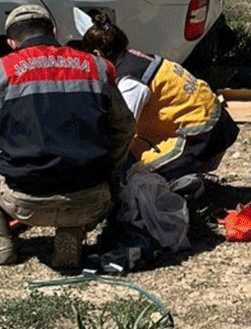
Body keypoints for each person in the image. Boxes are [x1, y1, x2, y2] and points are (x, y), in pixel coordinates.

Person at [0, 4, 135, 271]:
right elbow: (125, 128)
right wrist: (110, 172)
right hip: (92, 199)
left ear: (11, 43)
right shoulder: (97, 68)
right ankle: (74, 227)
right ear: (54, 31)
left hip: (24, 201)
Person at [80, 11, 237, 200]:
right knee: (131, 152)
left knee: (136, 174)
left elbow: (123, 129)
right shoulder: (135, 59)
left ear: (97, 54)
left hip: (202, 137)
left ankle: (182, 181)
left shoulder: (130, 81)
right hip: (205, 122)